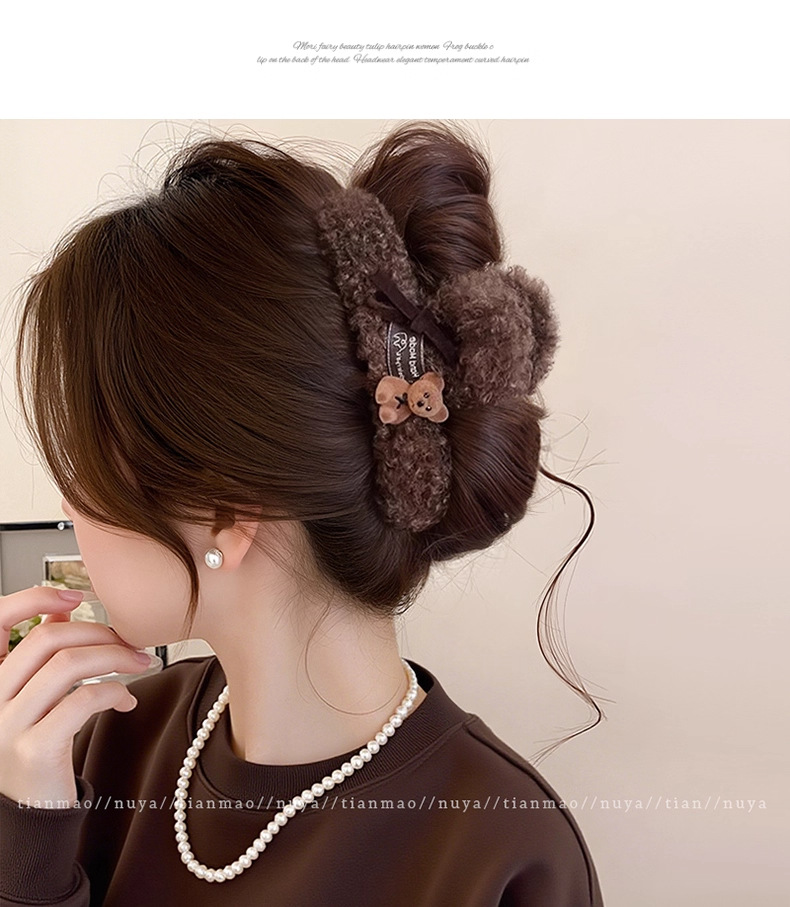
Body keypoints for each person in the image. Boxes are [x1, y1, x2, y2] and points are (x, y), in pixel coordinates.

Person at [0, 121, 605, 905]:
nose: (67, 502)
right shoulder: (100, 745)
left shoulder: (501, 855)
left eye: (85, 462)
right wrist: (27, 839)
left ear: (225, 511)